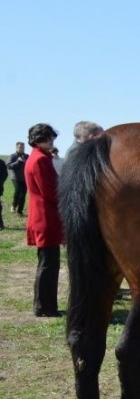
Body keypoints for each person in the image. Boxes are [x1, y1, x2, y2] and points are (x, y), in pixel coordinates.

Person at [24, 124, 65, 317]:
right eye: (48, 138)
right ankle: (44, 306)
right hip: (45, 217)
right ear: (38, 139)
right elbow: (50, 191)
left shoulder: (38, 157)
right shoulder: (40, 160)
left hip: (43, 215)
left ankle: (44, 305)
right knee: (49, 264)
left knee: (47, 263)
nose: (52, 142)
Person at [8, 141, 29, 216]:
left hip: (24, 178)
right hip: (15, 177)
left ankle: (20, 211)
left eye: (23, 147)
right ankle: (14, 205)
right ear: (16, 147)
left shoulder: (26, 156)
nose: (22, 149)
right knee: (18, 191)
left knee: (23, 194)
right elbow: (9, 166)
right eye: (20, 147)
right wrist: (17, 162)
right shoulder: (12, 156)